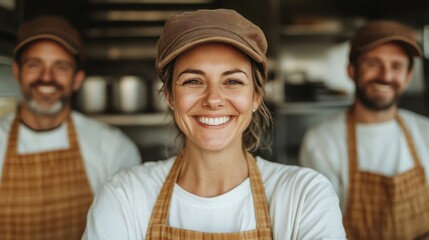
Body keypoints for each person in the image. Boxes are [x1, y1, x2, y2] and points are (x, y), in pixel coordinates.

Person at [83, 9, 346, 240]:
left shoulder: (304, 196)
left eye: (232, 81)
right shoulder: (125, 196)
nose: (213, 99)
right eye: (193, 81)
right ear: (170, 97)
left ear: (256, 96)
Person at [0, 15, 141, 239]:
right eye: (34, 65)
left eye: (61, 67)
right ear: (17, 72)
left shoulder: (113, 148)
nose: (46, 77)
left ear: (77, 79)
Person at [300, 20, 429, 239]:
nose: (386, 76)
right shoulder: (322, 141)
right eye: (373, 63)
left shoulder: (425, 131)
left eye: (396, 66)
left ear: (408, 77)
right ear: (352, 70)